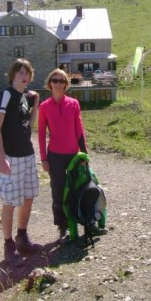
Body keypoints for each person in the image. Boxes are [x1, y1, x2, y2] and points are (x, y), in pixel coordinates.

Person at [0, 58, 43, 263]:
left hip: (28, 155)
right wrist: (2, 157)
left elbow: (28, 127)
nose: (24, 76)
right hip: (11, 157)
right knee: (10, 202)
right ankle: (8, 246)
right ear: (13, 75)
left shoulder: (23, 98)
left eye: (27, 73)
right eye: (20, 72)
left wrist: (35, 105)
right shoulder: (6, 95)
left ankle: (23, 238)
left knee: (28, 197)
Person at [38, 68, 88, 241]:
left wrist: (84, 155)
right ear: (50, 84)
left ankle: (84, 220)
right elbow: (41, 134)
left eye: (62, 81)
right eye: (55, 81)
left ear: (66, 84)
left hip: (74, 154)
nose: (58, 84)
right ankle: (62, 226)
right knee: (58, 192)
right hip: (55, 156)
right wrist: (43, 159)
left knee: (78, 188)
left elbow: (79, 130)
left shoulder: (73, 104)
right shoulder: (44, 107)